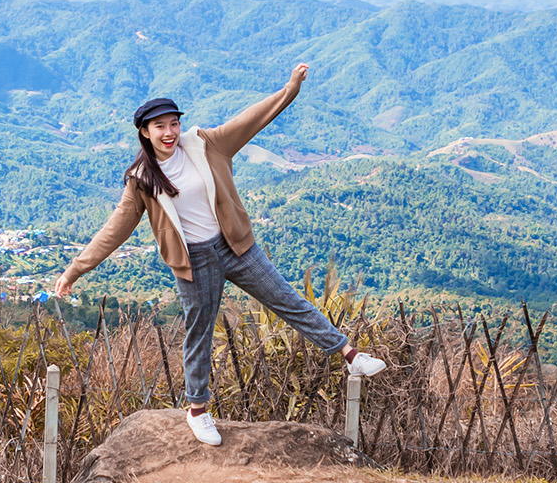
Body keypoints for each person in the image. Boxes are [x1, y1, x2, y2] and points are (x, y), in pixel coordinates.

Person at [54, 62, 386, 446]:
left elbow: (251, 120)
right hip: (193, 263)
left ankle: (350, 355)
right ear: (144, 132)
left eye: (173, 123)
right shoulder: (142, 181)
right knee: (199, 333)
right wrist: (75, 270)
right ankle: (198, 411)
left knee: (286, 299)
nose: (169, 132)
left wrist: (290, 88)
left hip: (235, 246)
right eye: (159, 126)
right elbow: (114, 230)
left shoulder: (205, 143)